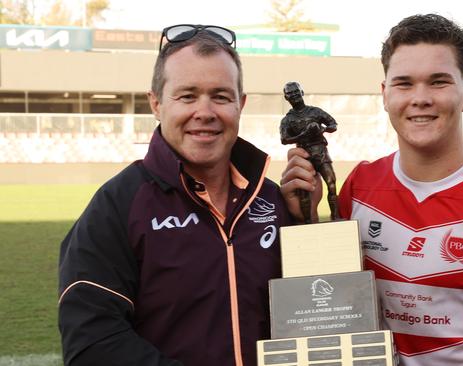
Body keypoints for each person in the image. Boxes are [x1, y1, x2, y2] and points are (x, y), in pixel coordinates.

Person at [280, 14, 463, 365]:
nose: (420, 98)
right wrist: (303, 217)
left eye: (438, 82)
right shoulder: (360, 184)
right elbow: (332, 298)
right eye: (404, 83)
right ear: (385, 95)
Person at [58, 24, 291, 366]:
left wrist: (310, 223)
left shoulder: (274, 201)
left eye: (221, 96)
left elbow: (319, 312)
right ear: (156, 103)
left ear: (240, 104)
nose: (205, 112)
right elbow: (91, 343)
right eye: (187, 95)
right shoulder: (118, 205)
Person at [280, 81, 338, 223]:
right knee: (304, 192)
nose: (294, 95)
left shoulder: (315, 112)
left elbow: (333, 124)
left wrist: (321, 129)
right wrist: (306, 133)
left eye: (296, 92)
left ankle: (335, 217)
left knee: (331, 183)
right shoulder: (287, 119)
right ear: (286, 98)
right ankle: (307, 222)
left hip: (321, 152)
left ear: (302, 93)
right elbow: (284, 139)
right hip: (303, 156)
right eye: (290, 94)